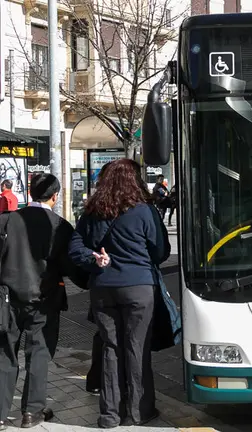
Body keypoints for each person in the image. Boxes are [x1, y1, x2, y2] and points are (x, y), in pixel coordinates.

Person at [68, 158, 170, 428]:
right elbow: (161, 252)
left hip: (103, 289)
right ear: (134, 181)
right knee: (137, 349)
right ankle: (138, 411)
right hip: (138, 287)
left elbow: (74, 250)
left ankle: (109, 414)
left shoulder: (92, 211)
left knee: (111, 349)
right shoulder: (145, 211)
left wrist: (94, 258)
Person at [0, 174, 88, 430]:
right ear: (55, 196)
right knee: (39, 352)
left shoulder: (7, 221)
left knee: (5, 354)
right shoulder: (60, 226)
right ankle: (32, 411)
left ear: (30, 194)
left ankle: (1, 415)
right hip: (45, 299)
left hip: (8, 300)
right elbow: (71, 266)